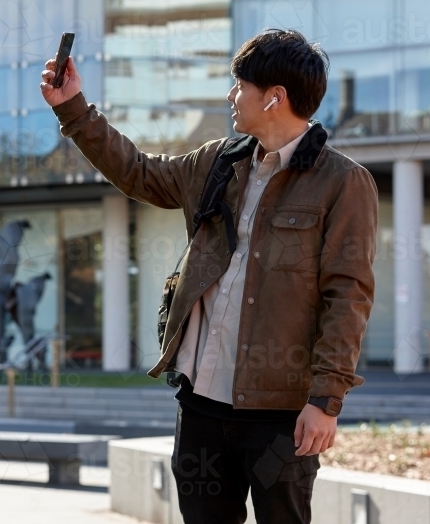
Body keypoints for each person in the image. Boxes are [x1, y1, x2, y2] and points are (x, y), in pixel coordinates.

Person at [40, 29, 377, 524]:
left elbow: (348, 295)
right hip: (201, 405)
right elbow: (138, 172)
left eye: (240, 85)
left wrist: (326, 401)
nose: (231, 95)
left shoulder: (343, 183)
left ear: (275, 98)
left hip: (280, 414)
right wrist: (73, 108)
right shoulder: (218, 161)